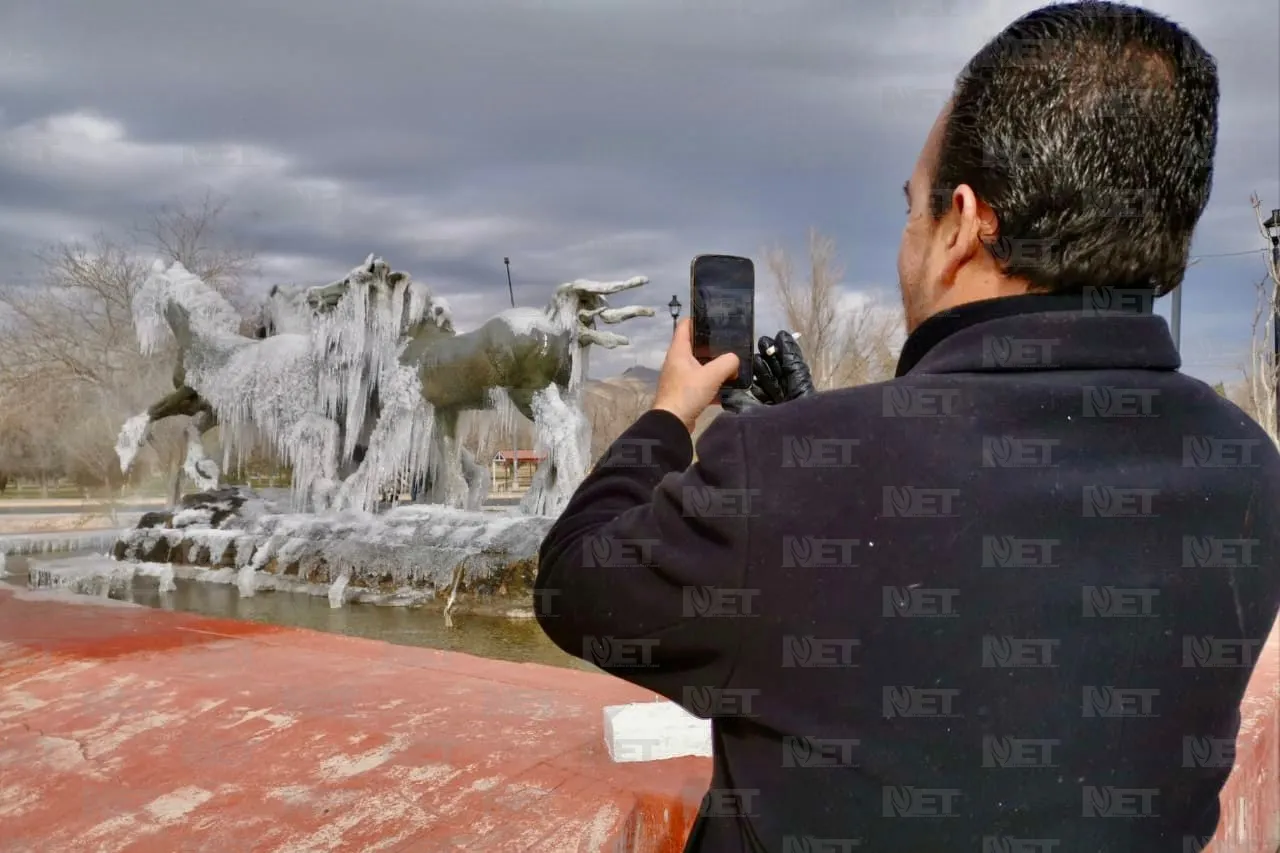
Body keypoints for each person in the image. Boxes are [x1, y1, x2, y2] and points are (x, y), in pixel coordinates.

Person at [535, 2, 1280, 850]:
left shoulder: (787, 479)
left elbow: (575, 583)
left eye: (911, 210)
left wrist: (672, 410)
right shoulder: (1247, 474)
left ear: (963, 224)